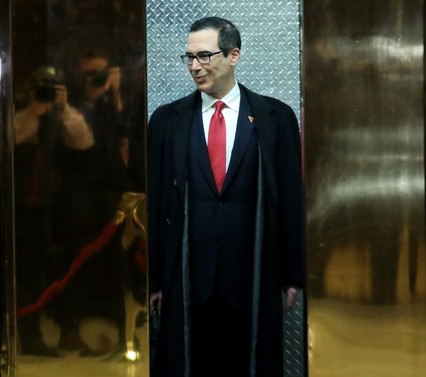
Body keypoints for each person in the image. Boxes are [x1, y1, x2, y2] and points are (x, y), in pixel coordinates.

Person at [147, 17, 305, 377]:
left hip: (252, 274)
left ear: (234, 55)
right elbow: (155, 203)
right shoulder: (166, 121)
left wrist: (292, 273)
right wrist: (154, 279)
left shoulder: (274, 118)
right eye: (188, 57)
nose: (194, 66)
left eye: (204, 56)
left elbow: (291, 200)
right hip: (186, 277)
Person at [13, 65, 93, 356]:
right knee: (19, 273)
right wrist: (34, 109)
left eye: (52, 89)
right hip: (16, 208)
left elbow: (84, 141)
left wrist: (64, 107)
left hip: (48, 209)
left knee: (39, 273)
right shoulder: (20, 116)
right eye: (42, 89)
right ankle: (22, 335)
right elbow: (12, 137)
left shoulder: (60, 118)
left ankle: (37, 336)